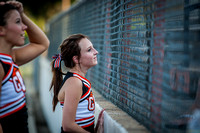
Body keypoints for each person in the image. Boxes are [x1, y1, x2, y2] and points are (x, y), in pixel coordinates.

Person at [0, 1, 49, 133]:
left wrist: (21, 13)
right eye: (17, 22)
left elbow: (42, 43)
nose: (24, 26)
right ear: (1, 29)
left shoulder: (11, 58)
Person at [50, 34, 98, 133]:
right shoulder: (75, 82)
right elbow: (68, 125)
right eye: (89, 50)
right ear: (76, 59)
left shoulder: (77, 80)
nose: (96, 52)